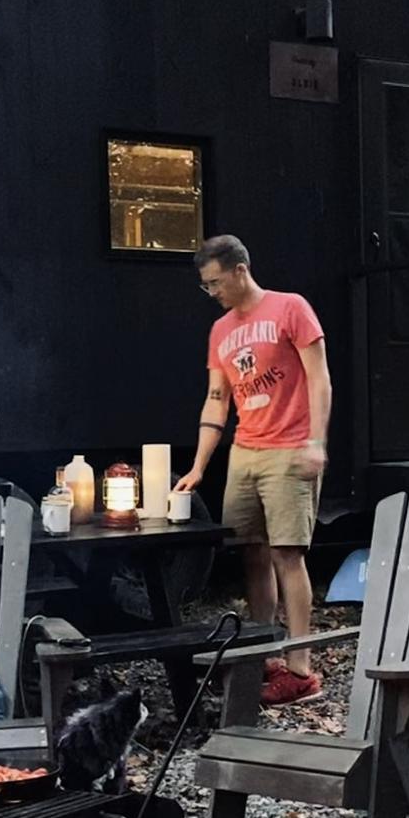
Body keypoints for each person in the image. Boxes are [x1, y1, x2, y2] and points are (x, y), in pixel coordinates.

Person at [175, 235, 332, 705]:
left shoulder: (290, 308)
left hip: (290, 446)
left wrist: (317, 441)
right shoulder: (221, 330)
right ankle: (263, 650)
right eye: (206, 286)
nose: (212, 292)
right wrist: (200, 465)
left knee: (288, 553)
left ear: (240, 270)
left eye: (215, 282)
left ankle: (300, 665)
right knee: (251, 552)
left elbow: (320, 378)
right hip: (246, 450)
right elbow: (217, 398)